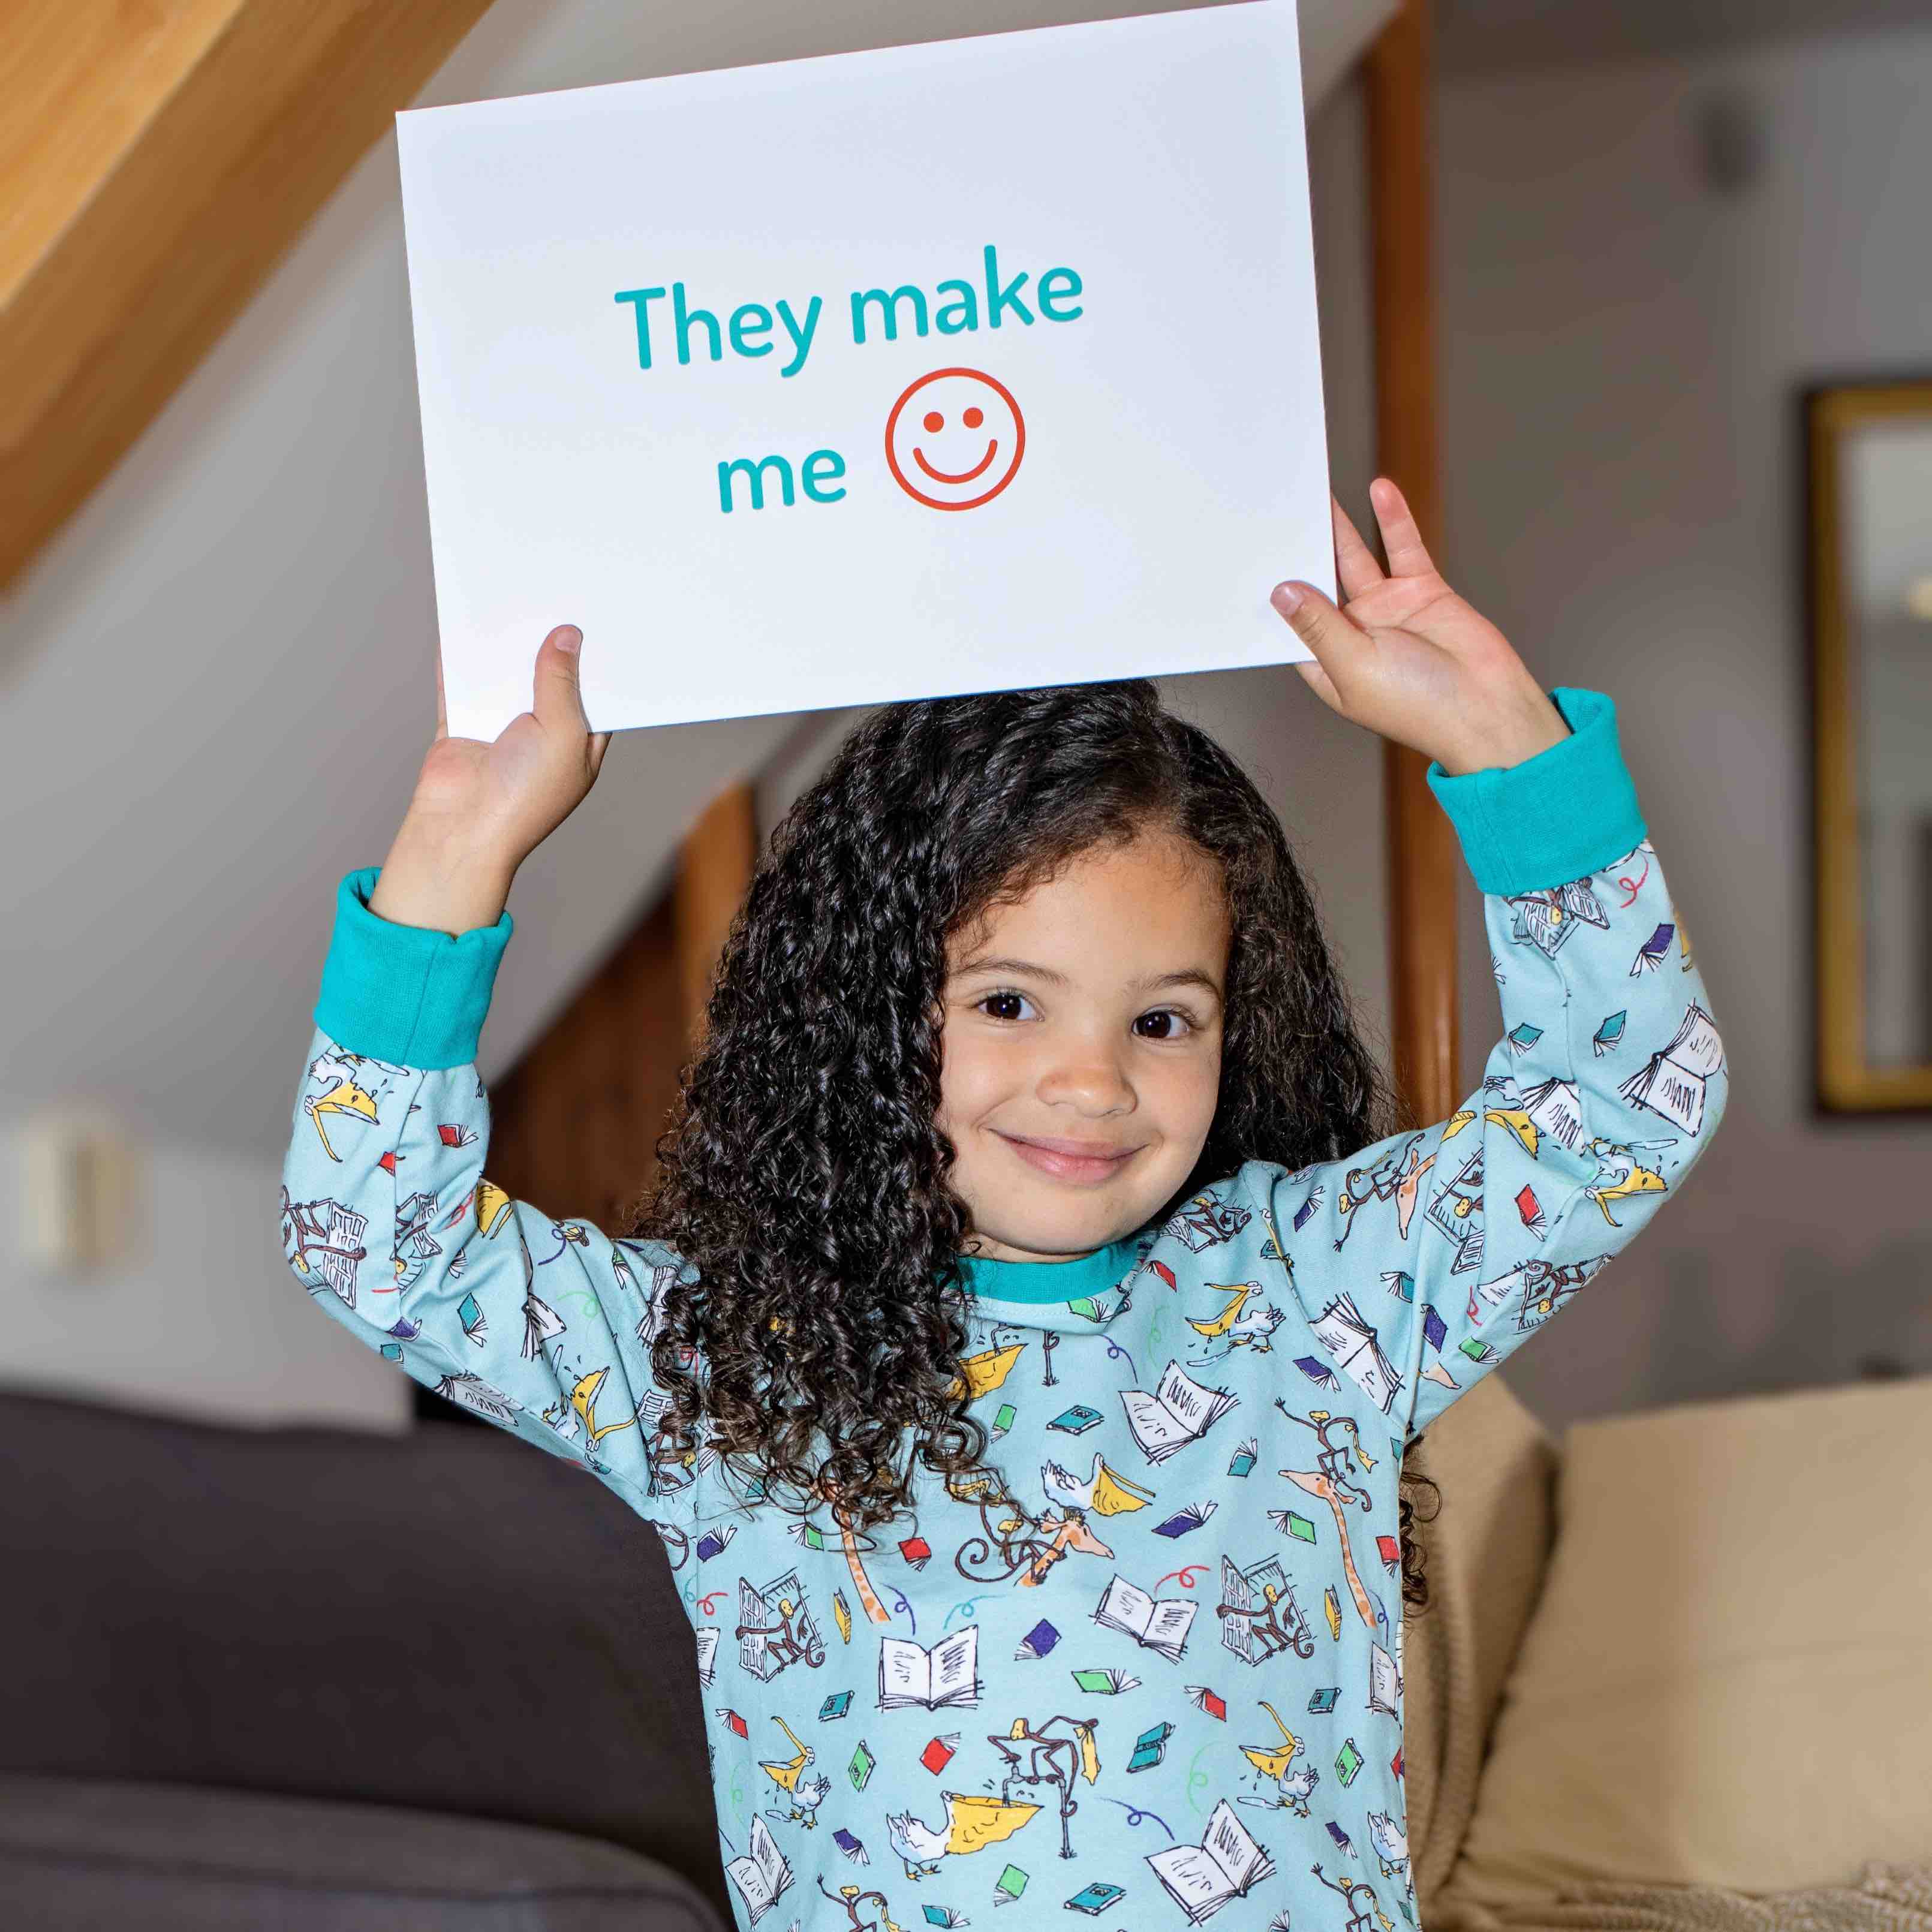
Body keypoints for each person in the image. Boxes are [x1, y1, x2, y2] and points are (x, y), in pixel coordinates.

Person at [281, 478, 1727, 1930]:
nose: (1090, 1083)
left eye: (1163, 1022)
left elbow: (1627, 1098)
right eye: (1010, 1002)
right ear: (865, 1016)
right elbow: (381, 1244)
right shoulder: (730, 1359)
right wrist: (448, 874)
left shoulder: (1315, 1293)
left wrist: (1505, 749)